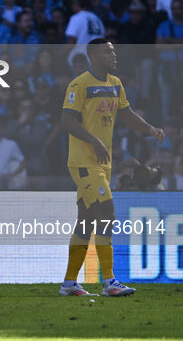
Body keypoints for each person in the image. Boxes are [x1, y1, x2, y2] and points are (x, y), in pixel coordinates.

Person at [59, 38, 165, 297]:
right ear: (94, 55)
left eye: (114, 51)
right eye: (108, 51)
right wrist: (94, 140)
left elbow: (127, 114)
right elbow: (66, 121)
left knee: (85, 223)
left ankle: (69, 284)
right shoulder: (80, 83)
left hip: (102, 164)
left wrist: (149, 128)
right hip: (84, 162)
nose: (114, 55)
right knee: (107, 214)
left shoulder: (115, 84)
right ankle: (109, 282)